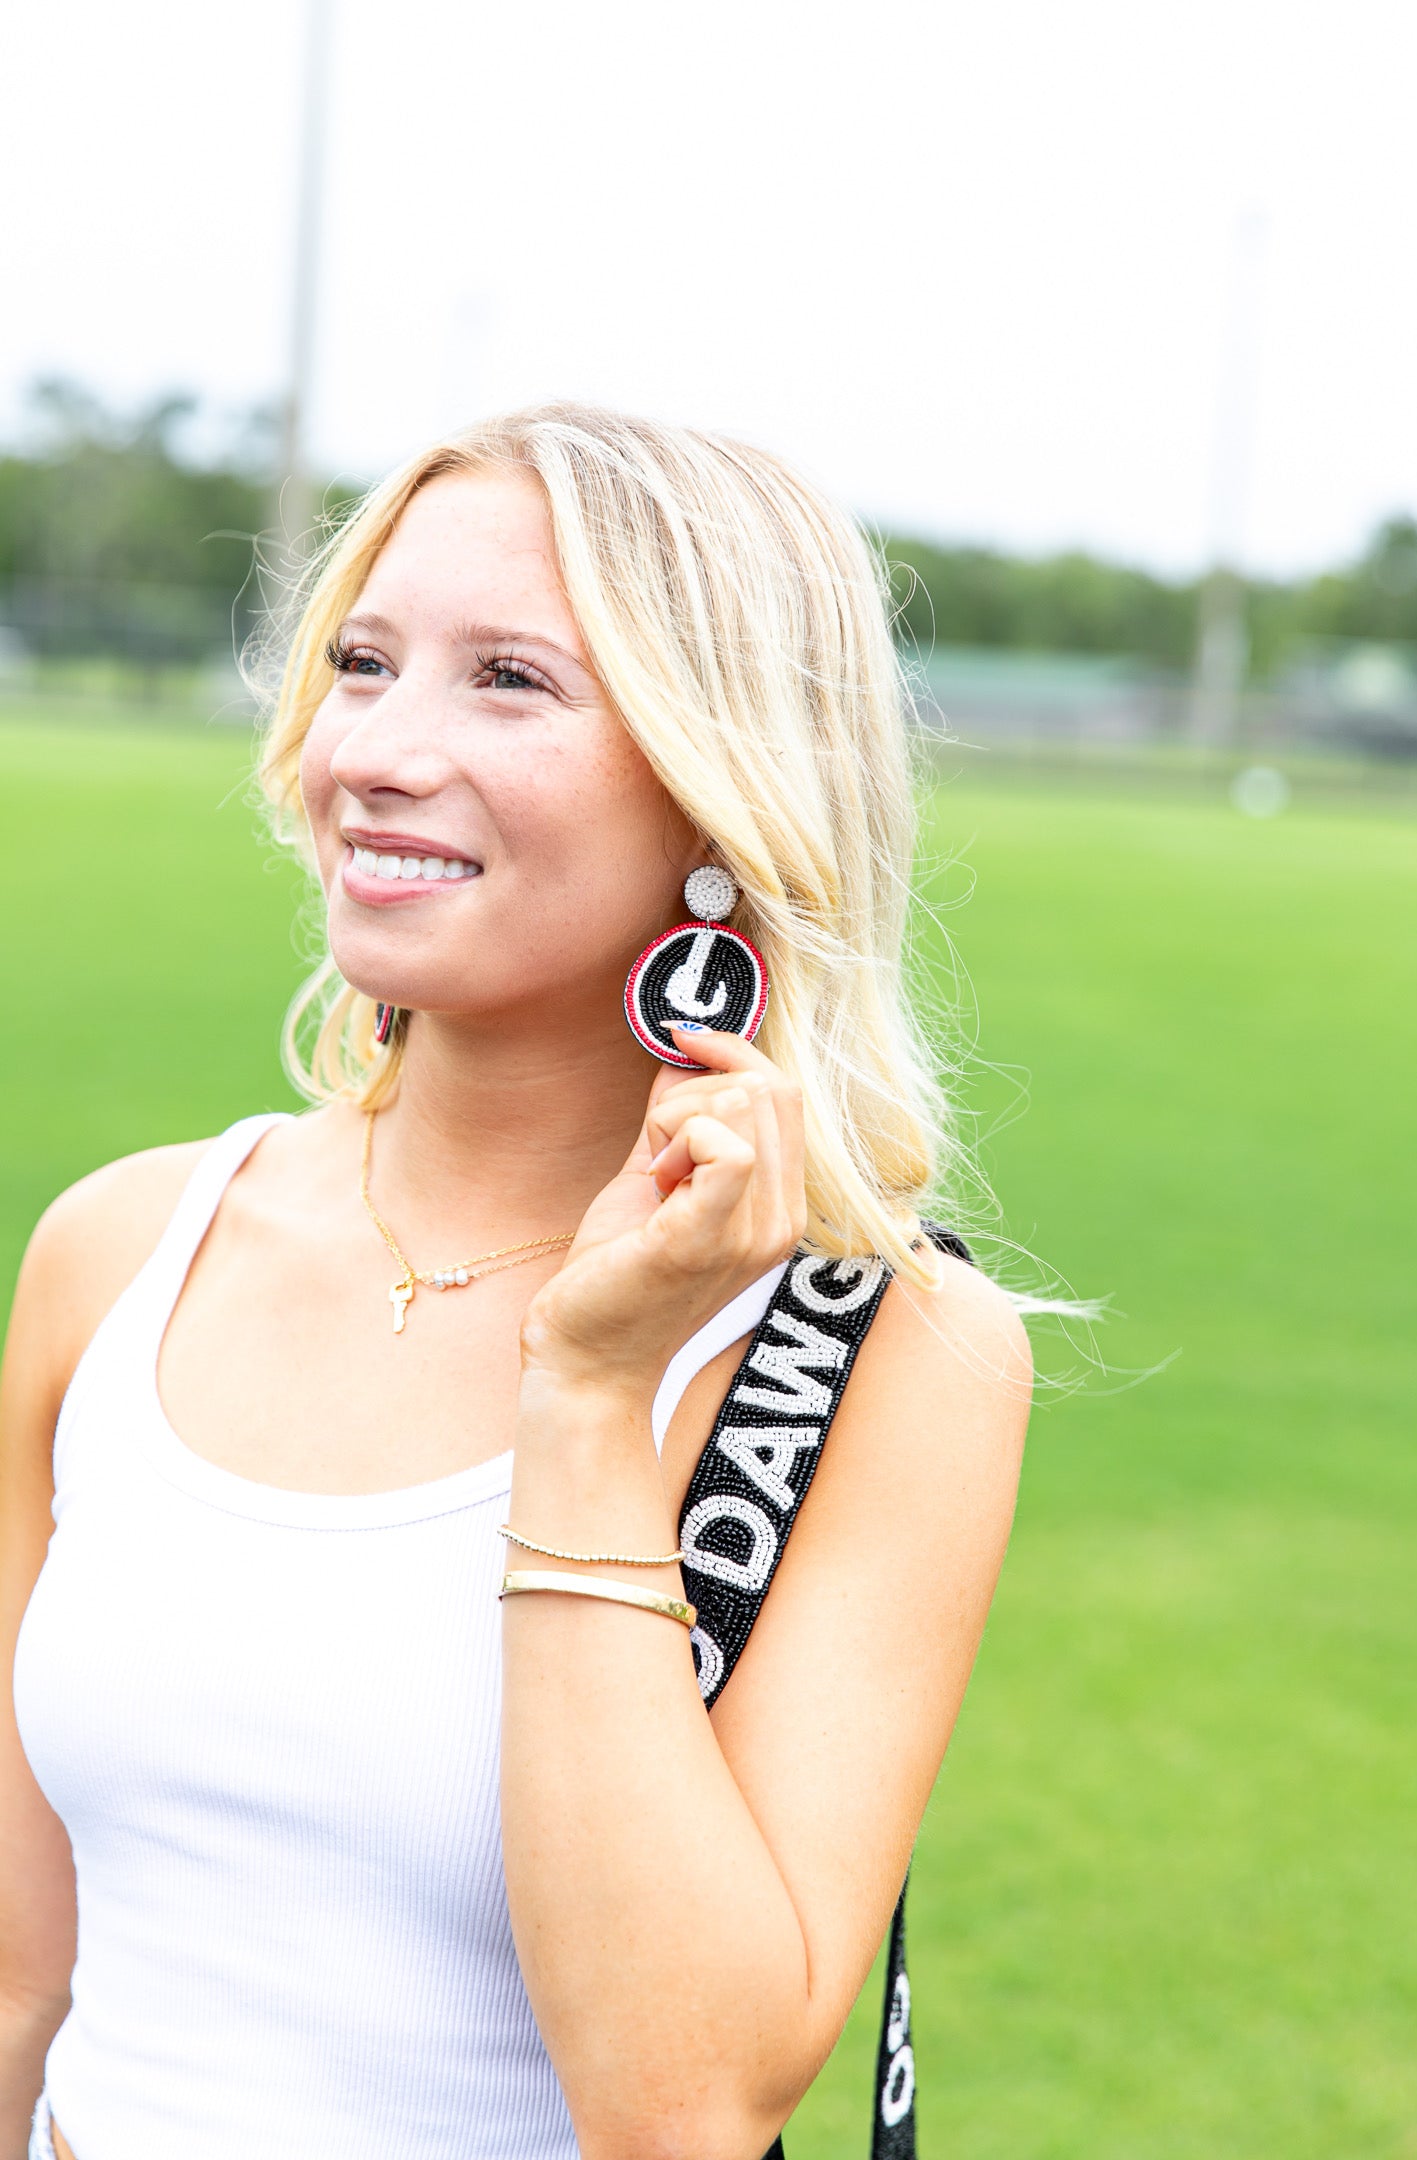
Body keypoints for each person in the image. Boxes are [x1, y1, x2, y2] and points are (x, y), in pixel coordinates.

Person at [0, 405, 1031, 2160]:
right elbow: (24, 1980)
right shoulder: (120, 1250)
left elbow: (681, 2102)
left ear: (722, 784)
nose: (378, 752)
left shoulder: (887, 1351)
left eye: (511, 682)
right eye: (364, 662)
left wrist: (587, 1390)